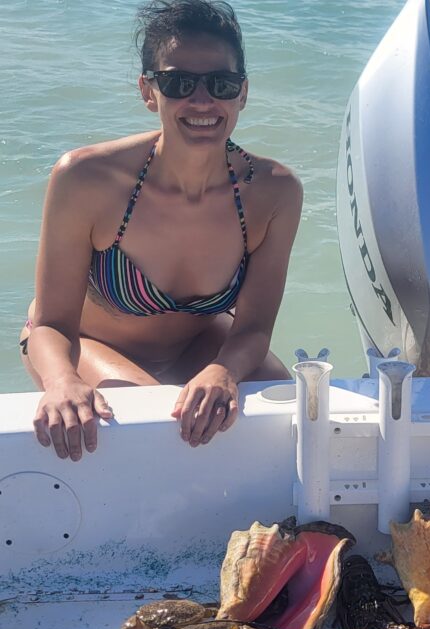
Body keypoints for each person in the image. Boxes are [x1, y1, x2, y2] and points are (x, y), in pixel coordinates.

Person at [21, 0, 303, 461]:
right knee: (147, 424)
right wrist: (62, 382)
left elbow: (252, 329)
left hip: (199, 344)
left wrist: (223, 372)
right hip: (90, 345)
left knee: (289, 413)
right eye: (177, 83)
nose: (202, 101)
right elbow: (51, 324)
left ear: (243, 93)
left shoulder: (275, 192)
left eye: (221, 83)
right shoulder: (86, 178)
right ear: (149, 91)